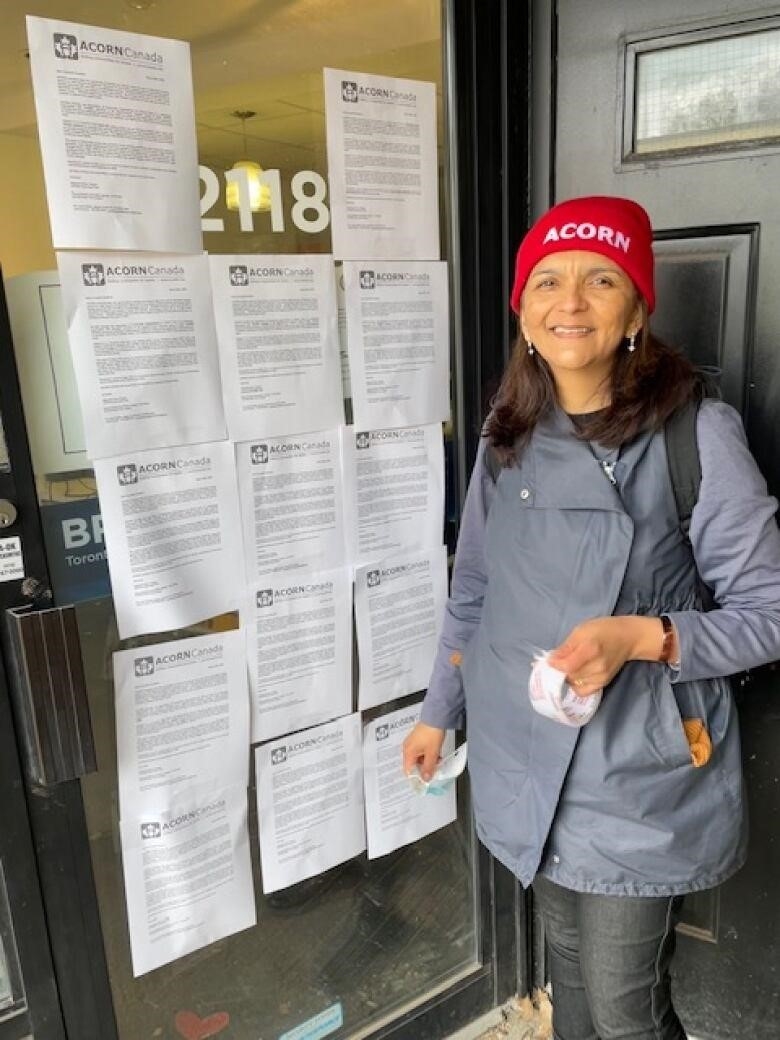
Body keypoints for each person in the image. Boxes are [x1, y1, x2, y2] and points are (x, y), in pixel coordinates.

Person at [402, 195, 780, 1040]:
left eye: (600, 280)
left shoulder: (696, 435)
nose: (569, 302)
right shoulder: (510, 431)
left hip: (635, 775)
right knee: (568, 983)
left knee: (621, 1010)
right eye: (548, 281)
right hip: (522, 752)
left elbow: (771, 611)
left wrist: (644, 636)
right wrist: (439, 712)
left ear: (636, 311)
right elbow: (475, 594)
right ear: (525, 314)